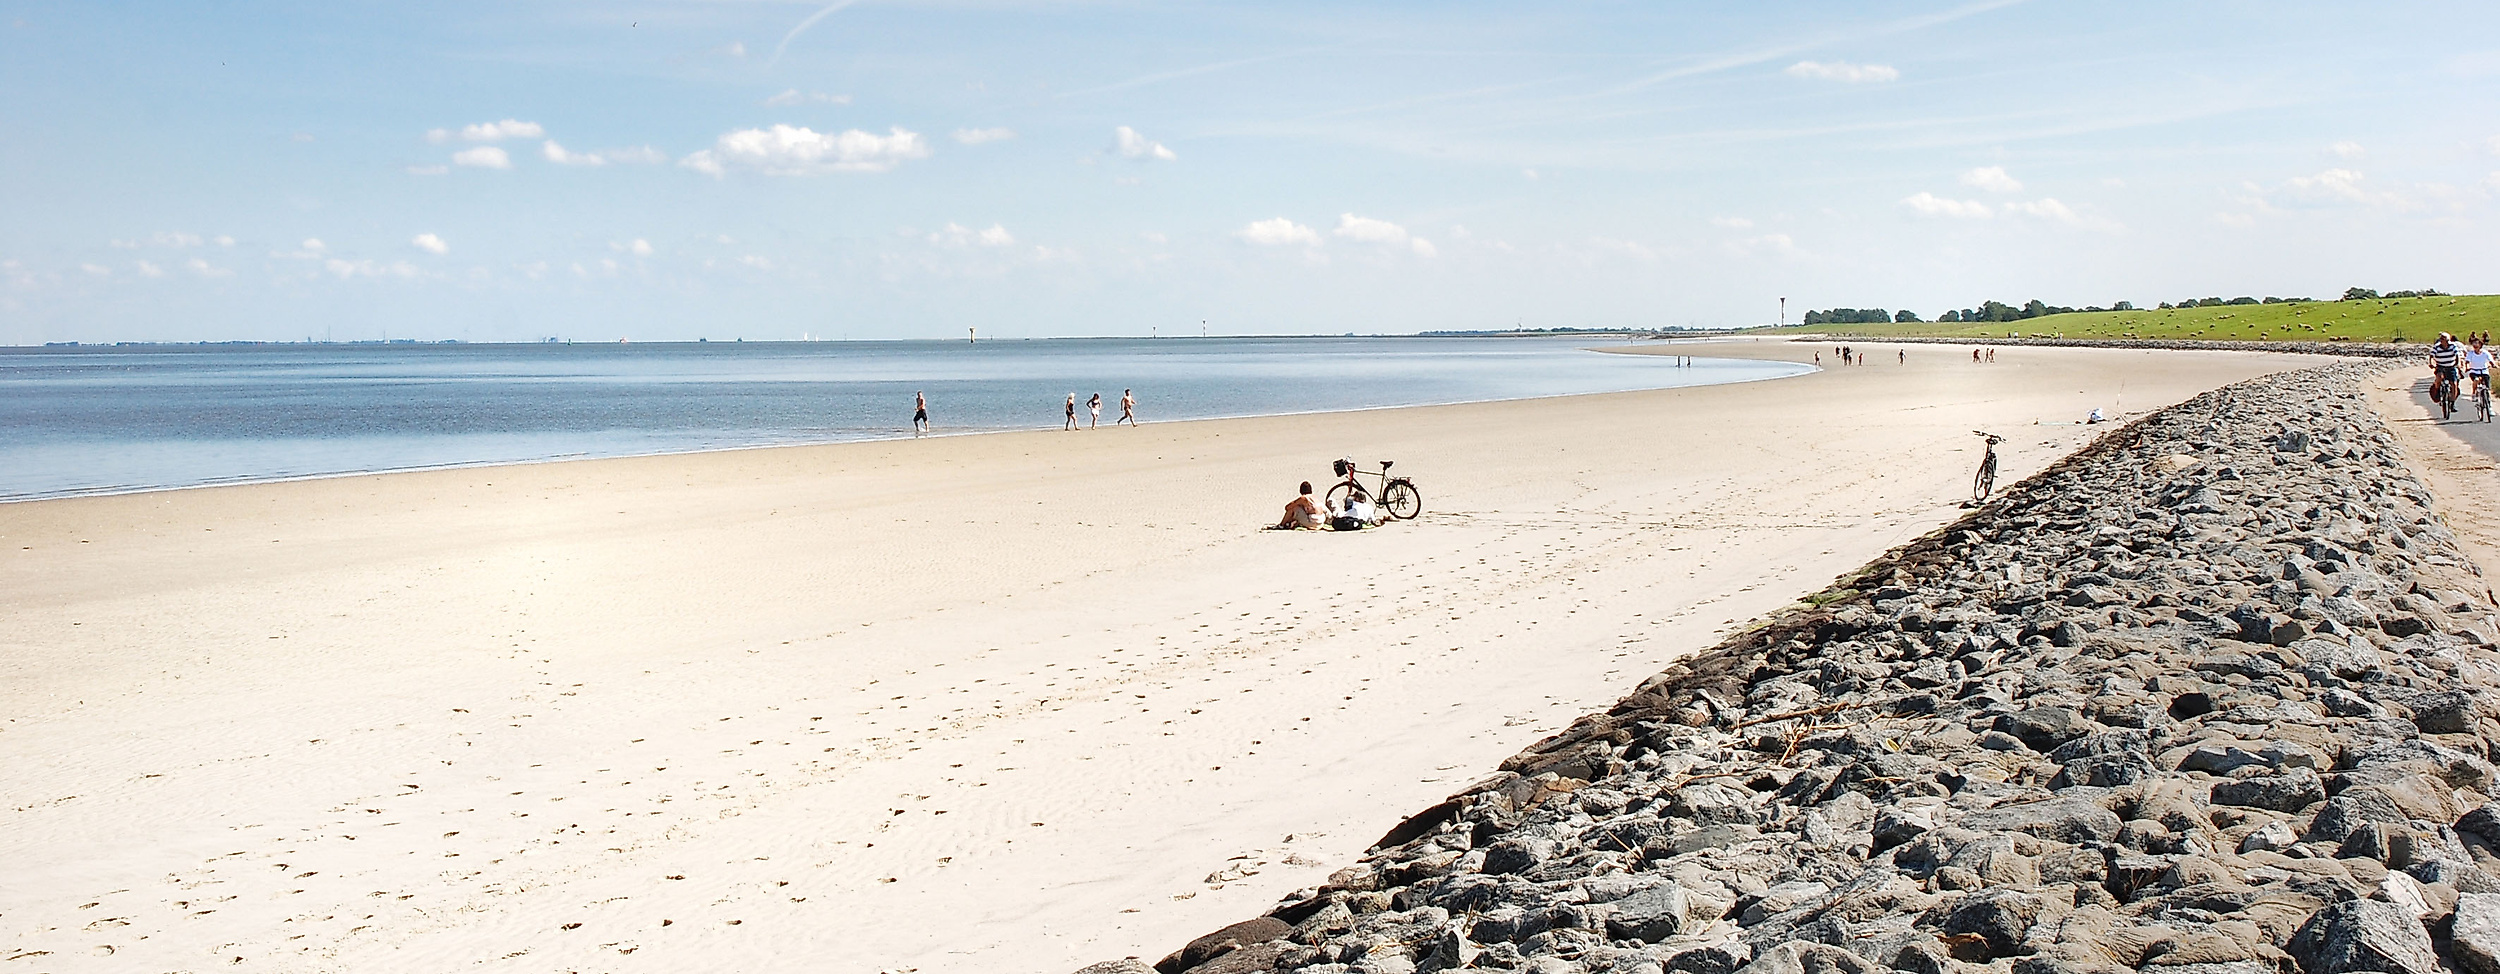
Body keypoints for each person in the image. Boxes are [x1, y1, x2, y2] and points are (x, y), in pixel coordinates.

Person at [2430, 332, 2463, 407]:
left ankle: (2453, 402)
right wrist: (2431, 363)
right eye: (2441, 339)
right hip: (2440, 366)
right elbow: (2432, 356)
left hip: (2450, 366)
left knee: (2454, 384)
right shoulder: (2437, 347)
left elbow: (2457, 354)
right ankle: (2438, 391)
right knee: (2439, 377)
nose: (2441, 340)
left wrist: (2457, 363)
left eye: (2443, 339)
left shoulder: (2452, 346)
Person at [2468, 335, 2494, 404]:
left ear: (2480, 345)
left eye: (2477, 343)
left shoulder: (2485, 353)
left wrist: (2493, 365)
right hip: (2474, 371)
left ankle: (2489, 404)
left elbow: (2490, 360)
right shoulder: (2470, 353)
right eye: (2474, 343)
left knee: (2487, 388)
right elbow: (2467, 361)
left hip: (2484, 371)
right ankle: (2473, 393)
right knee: (2476, 380)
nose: (2475, 345)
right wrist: (2467, 367)